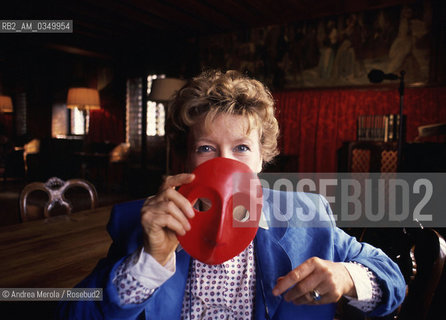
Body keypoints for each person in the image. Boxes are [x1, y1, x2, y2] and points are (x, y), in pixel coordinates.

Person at [57, 70, 405, 319]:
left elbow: (392, 280)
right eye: (207, 147)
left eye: (241, 147)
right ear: (185, 157)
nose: (224, 163)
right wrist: (149, 262)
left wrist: (347, 278)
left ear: (261, 158)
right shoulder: (141, 222)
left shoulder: (308, 216)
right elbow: (73, 313)